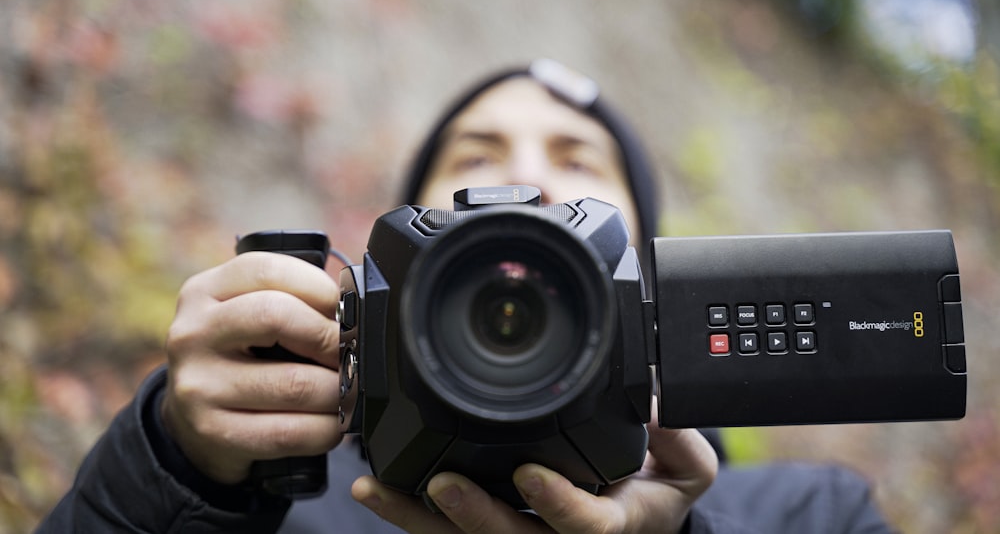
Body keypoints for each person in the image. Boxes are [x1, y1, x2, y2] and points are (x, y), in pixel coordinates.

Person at [37, 60, 892, 533]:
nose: (524, 177)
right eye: (477, 159)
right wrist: (176, 467)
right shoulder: (282, 494)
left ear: (649, 262)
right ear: (397, 262)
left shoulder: (810, 513)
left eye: (579, 163)